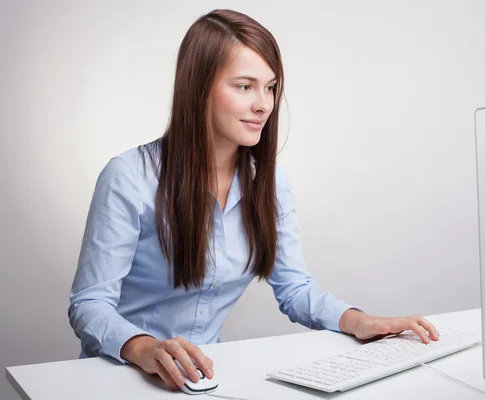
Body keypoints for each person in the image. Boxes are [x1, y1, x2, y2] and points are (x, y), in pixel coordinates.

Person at [68, 9, 440, 392]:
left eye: (271, 87)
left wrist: (361, 321)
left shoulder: (270, 182)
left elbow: (295, 289)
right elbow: (89, 304)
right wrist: (144, 348)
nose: (264, 104)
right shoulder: (130, 176)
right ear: (199, 88)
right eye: (245, 86)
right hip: (119, 377)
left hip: (205, 379)